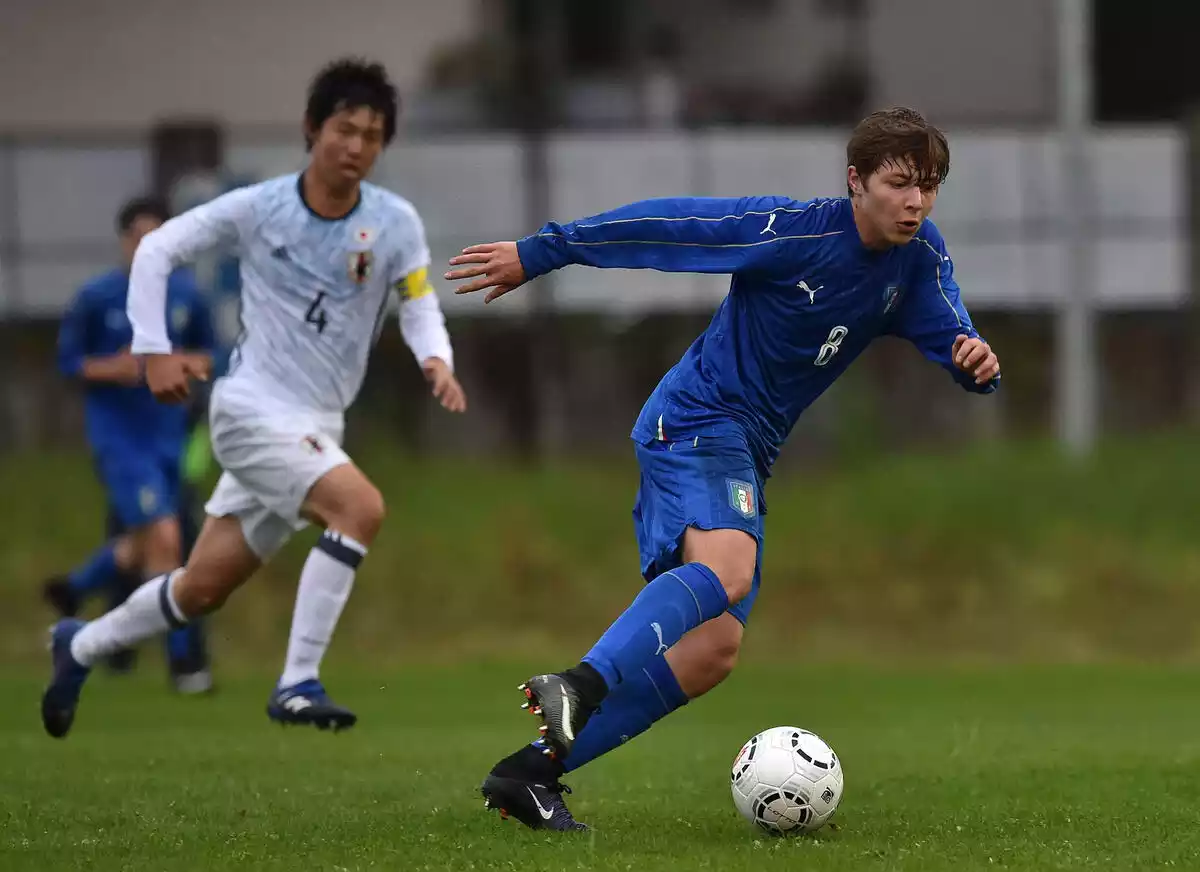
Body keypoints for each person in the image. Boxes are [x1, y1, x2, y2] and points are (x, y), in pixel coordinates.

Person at [446, 107, 1001, 831]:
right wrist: (544, 252)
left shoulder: (919, 257)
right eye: (900, 184)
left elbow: (954, 332)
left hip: (745, 449)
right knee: (730, 570)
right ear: (855, 181)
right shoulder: (792, 232)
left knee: (712, 650)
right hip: (698, 421)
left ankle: (529, 774)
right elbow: (672, 226)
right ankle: (578, 682)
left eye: (929, 187)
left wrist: (974, 362)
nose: (916, 202)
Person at [41, 57, 467, 739]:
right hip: (250, 412)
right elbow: (155, 253)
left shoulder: (395, 223)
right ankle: (297, 682)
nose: (357, 146)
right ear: (311, 128)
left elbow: (417, 302)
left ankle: (79, 645)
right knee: (359, 508)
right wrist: (152, 352)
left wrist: (436, 358)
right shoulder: (258, 209)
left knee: (200, 588)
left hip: (317, 424)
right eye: (345, 129)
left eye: (373, 135)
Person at [48, 195, 216, 693]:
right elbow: (69, 363)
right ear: (123, 241)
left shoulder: (187, 296)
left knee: (144, 545)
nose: (147, 247)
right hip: (120, 440)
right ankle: (185, 665)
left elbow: (212, 355)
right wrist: (114, 367)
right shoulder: (97, 296)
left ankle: (76, 591)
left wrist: (183, 363)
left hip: (170, 436)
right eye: (138, 237)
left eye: (157, 238)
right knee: (167, 538)